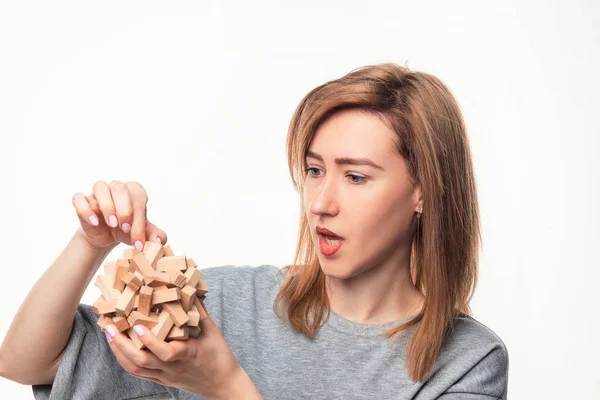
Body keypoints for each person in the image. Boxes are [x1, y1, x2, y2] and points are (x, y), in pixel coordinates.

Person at [0, 62, 509, 399]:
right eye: (314, 170)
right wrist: (89, 245)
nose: (321, 203)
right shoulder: (224, 304)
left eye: (355, 177)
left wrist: (224, 383)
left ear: (424, 192)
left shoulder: (467, 363)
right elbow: (26, 363)